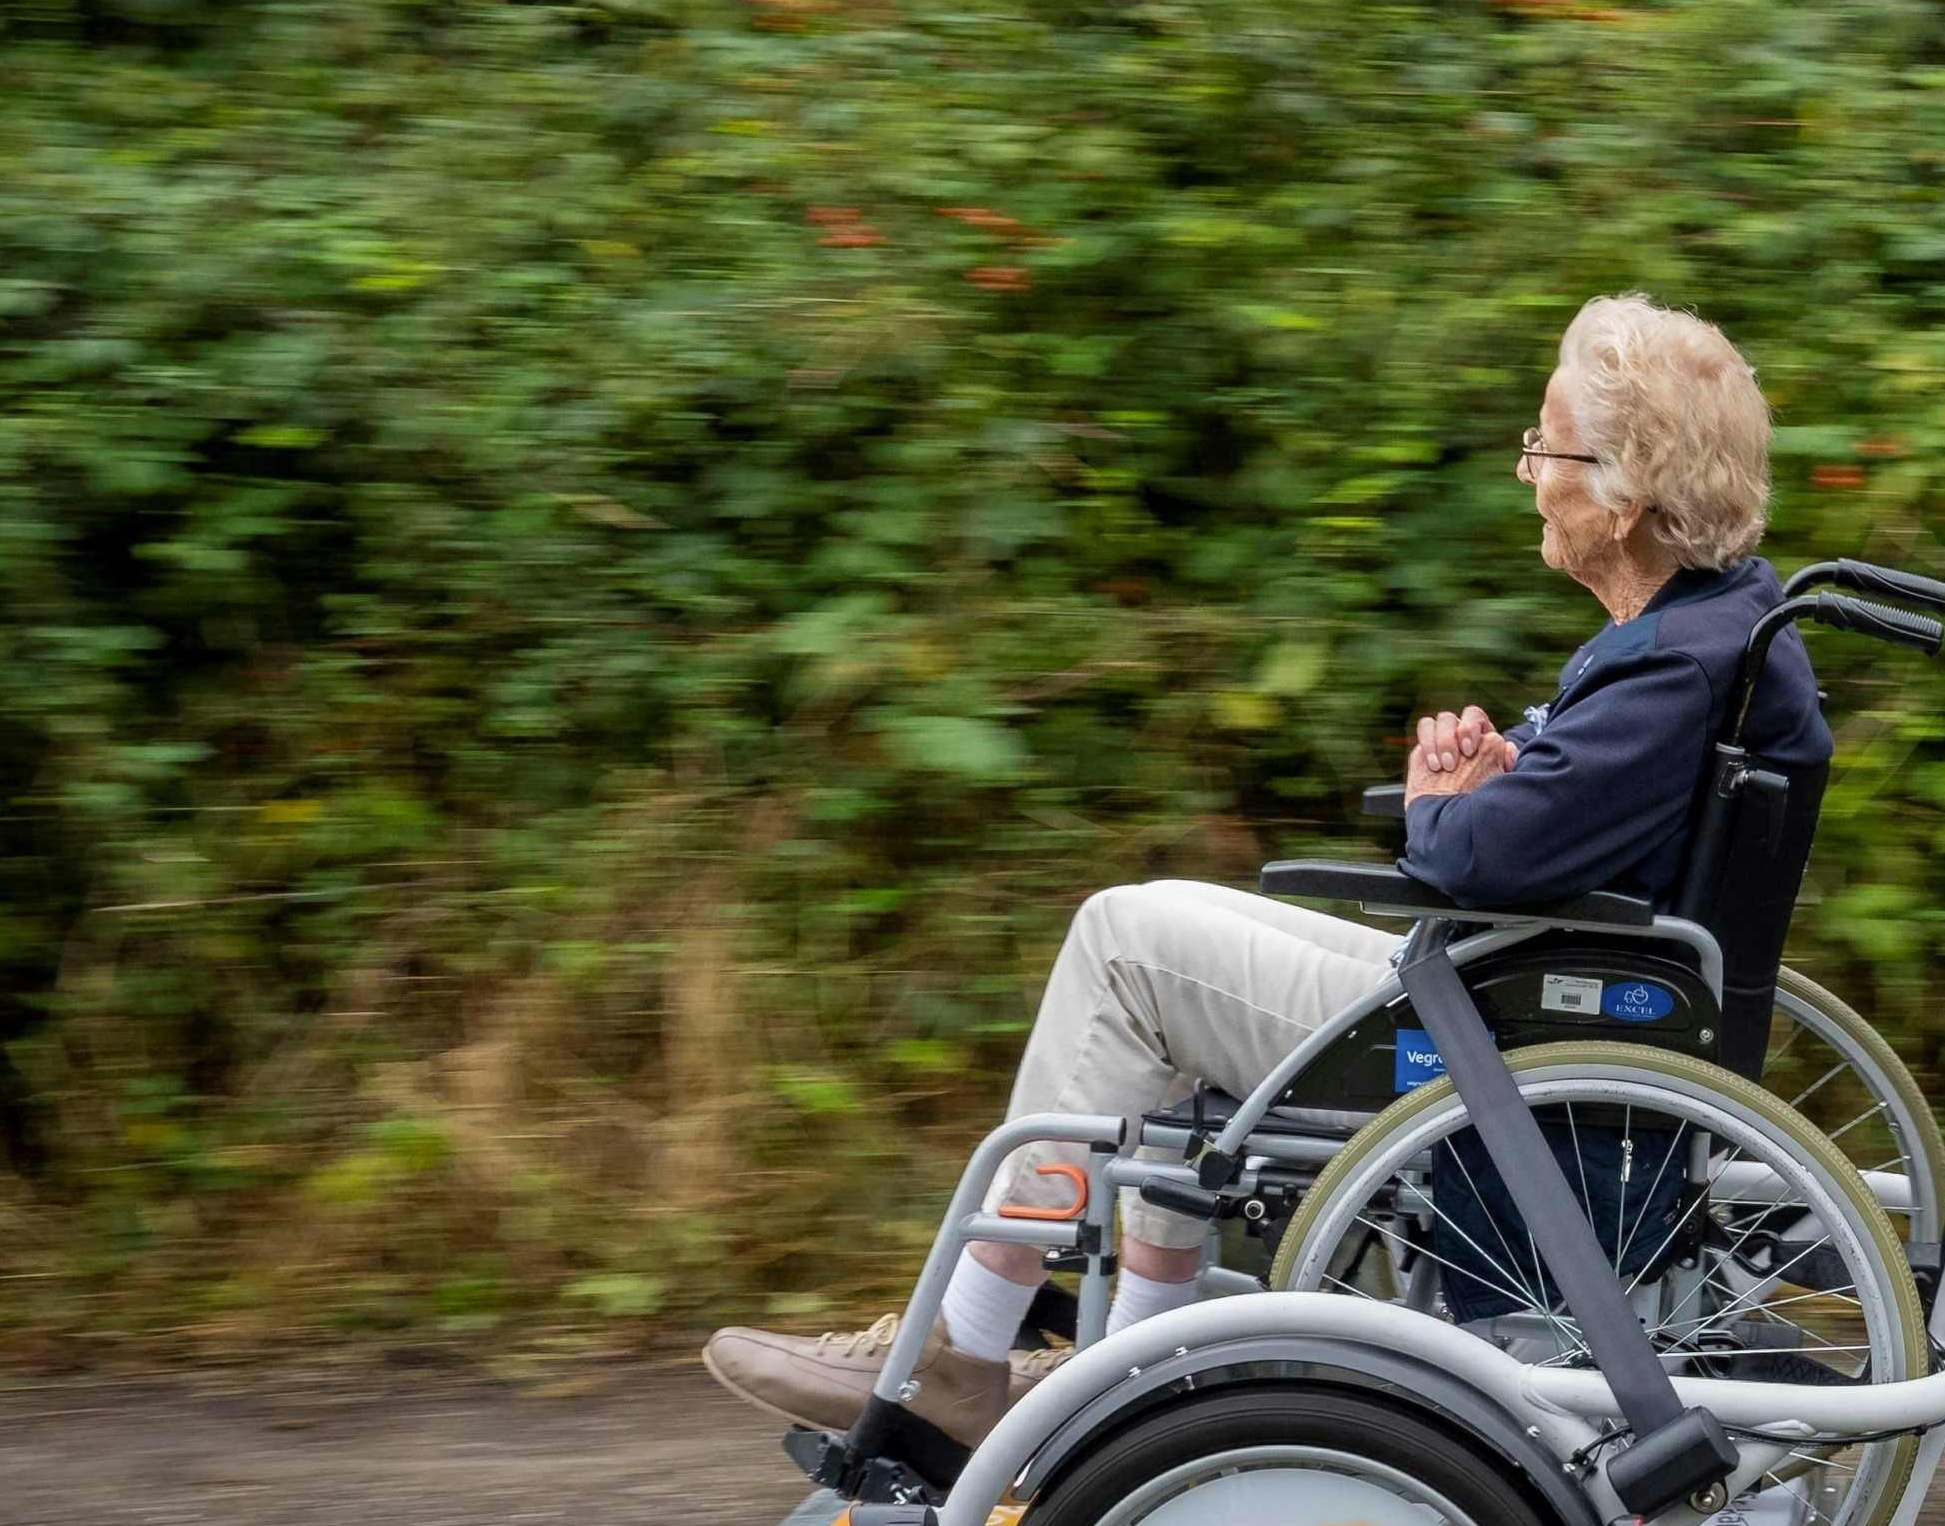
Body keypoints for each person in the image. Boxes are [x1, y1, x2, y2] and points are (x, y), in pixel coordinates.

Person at [698, 292, 1828, 1447]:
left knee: (1125, 950)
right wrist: (1517, 771)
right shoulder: (1719, 628)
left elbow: (1473, 857)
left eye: (1545, 446)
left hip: (1504, 1039)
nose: (1530, 470)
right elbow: (1578, 819)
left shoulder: (1668, 671)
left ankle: (968, 1353)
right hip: (1530, 997)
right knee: (1145, 951)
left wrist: (1449, 802)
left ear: (1626, 492)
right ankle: (1116, 1369)